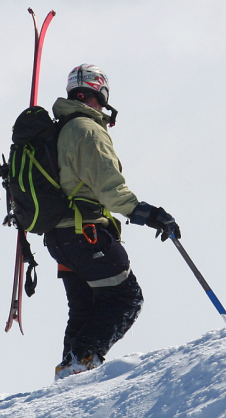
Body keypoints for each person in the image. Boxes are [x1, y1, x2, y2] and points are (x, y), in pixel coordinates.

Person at [45, 64, 181, 380]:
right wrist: (150, 215)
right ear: (101, 94)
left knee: (85, 310)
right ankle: (80, 362)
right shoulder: (87, 131)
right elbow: (110, 188)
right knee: (124, 299)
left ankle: (70, 371)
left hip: (59, 238)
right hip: (86, 234)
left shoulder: (58, 129)